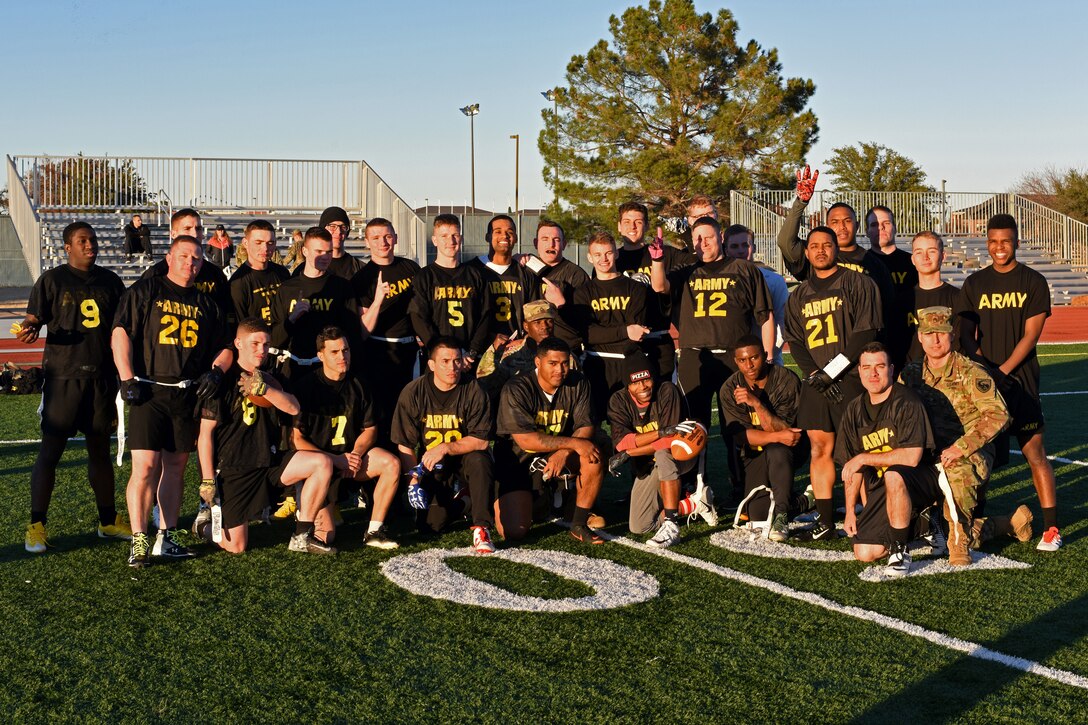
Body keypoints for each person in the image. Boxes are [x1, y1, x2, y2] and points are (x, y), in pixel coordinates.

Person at [113, 235, 232, 567]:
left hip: (185, 393)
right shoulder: (146, 290)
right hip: (149, 391)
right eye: (183, 256)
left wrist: (217, 372)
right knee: (146, 467)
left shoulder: (207, 304)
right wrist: (126, 375)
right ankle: (139, 539)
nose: (189, 264)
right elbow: (121, 332)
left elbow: (225, 346)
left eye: (195, 259)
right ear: (169, 257)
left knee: (176, 467)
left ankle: (166, 536)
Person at [18, 222, 129, 553]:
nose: (90, 245)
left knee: (100, 452)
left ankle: (108, 521)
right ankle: (36, 525)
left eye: (93, 239)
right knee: (50, 452)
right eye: (82, 241)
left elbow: (122, 328)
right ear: (68, 247)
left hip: (101, 379)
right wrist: (29, 329)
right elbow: (33, 320)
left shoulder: (111, 281)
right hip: (63, 377)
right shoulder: (52, 280)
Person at [652, 216, 773, 507]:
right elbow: (659, 287)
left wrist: (767, 356)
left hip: (736, 357)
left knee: (738, 424)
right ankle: (695, 488)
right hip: (697, 356)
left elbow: (764, 316)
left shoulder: (744, 269)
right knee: (693, 424)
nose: (702, 244)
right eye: (697, 239)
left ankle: (743, 486)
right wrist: (657, 259)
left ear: (720, 237)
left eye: (707, 237)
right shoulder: (686, 269)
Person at [900, 307, 1033, 565]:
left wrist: (961, 447)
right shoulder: (911, 374)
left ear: (952, 335)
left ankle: (959, 541)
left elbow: (998, 415)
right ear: (919, 336)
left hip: (970, 452)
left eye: (942, 332)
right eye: (929, 333)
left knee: (955, 471)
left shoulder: (971, 372)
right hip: (928, 450)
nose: (935, 339)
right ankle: (1008, 523)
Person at [960, 213, 1060, 551]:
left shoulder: (1033, 281)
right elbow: (966, 336)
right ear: (986, 242)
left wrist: (1000, 372)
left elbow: (1031, 336)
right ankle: (974, 527)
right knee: (983, 458)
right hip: (987, 387)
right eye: (993, 241)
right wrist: (985, 373)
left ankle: (1051, 529)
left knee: (1035, 453)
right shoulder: (974, 284)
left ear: (1016, 241)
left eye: (1005, 241)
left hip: (1021, 384)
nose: (999, 247)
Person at [194, 318, 335, 555]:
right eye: (255, 343)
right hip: (235, 468)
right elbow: (205, 435)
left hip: (268, 461)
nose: (262, 350)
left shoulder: (269, 377)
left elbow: (293, 408)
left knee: (322, 463)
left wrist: (265, 389)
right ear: (238, 343)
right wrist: (207, 479)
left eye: (266, 344)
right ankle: (203, 527)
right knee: (236, 546)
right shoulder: (222, 381)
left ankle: (301, 535)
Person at [784, 226, 882, 541]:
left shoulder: (858, 283)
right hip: (817, 384)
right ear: (807, 252)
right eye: (814, 245)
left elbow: (865, 333)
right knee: (819, 448)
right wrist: (815, 374)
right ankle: (826, 521)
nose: (821, 250)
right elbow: (796, 341)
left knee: (860, 449)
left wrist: (833, 372)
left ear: (836, 248)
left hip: (852, 379)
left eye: (827, 244)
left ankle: (871, 518)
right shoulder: (798, 295)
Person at [292, 326, 402, 548]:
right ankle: (304, 503)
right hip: (320, 466)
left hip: (350, 461)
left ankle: (374, 530)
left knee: (390, 463)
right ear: (320, 355)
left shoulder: (360, 384)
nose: (342, 356)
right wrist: (334, 459)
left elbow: (370, 429)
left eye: (345, 350)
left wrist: (355, 455)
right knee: (326, 537)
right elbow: (297, 440)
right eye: (334, 352)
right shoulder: (305, 387)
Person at [838, 343, 939, 577]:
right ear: (859, 371)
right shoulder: (854, 410)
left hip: (921, 481)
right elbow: (853, 467)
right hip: (884, 489)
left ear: (891, 370)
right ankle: (923, 523)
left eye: (880, 366)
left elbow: (912, 457)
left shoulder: (907, 402)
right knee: (864, 552)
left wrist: (864, 457)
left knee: (894, 473)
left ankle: (899, 550)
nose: (873, 374)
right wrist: (851, 511)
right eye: (867, 367)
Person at [391, 337, 497, 554]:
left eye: (457, 360)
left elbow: (481, 440)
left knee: (480, 459)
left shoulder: (474, 389)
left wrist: (445, 447)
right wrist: (413, 480)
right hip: (433, 465)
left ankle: (482, 528)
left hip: (465, 458)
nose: (452, 367)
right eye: (445, 361)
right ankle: (465, 502)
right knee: (429, 525)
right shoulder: (414, 392)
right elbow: (405, 444)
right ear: (431, 365)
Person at [495, 337, 604, 544]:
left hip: (557, 453)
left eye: (564, 363)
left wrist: (564, 453)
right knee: (514, 530)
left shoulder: (578, 382)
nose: (560, 370)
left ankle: (579, 522)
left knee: (593, 454)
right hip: (519, 459)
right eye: (552, 364)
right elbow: (526, 440)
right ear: (538, 362)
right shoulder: (517, 387)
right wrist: (572, 444)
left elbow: (586, 425)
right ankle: (548, 497)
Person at [606, 349, 708, 548]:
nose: (643, 387)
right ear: (627, 385)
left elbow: (671, 443)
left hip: (682, 455)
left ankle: (671, 523)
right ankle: (694, 503)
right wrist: (659, 432)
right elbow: (622, 442)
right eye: (635, 382)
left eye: (646, 379)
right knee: (640, 526)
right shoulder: (618, 401)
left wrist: (630, 453)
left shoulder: (666, 390)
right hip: (649, 465)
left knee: (663, 454)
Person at [720, 335, 811, 542]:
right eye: (742, 360)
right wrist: (778, 435)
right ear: (736, 361)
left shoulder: (785, 379)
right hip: (755, 451)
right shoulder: (729, 387)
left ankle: (781, 515)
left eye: (754, 358)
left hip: (790, 451)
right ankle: (803, 500)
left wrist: (757, 404)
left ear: (765, 355)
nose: (749, 365)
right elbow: (743, 437)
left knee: (777, 449)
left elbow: (791, 434)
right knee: (758, 514)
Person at [776, 167, 893, 306]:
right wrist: (800, 203)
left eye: (847, 221)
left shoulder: (874, 263)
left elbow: (888, 306)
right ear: (827, 225)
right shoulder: (818, 256)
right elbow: (785, 243)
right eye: (835, 222)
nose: (842, 227)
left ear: (857, 225)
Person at [352, 217, 420, 440]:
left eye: (388, 236)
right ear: (367, 242)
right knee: (383, 418)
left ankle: (413, 469)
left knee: (411, 415)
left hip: (411, 351)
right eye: (376, 238)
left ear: (396, 238)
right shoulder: (363, 278)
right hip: (380, 354)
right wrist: (378, 299)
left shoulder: (410, 267)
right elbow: (364, 329)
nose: (383, 242)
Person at [614, 201, 693, 382]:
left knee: (665, 399)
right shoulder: (611, 259)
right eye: (626, 221)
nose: (632, 226)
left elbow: (697, 259)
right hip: (626, 343)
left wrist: (686, 232)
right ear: (619, 226)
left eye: (638, 222)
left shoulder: (663, 252)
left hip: (659, 340)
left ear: (647, 225)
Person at [269, 226, 361, 379]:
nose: (325, 257)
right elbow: (275, 340)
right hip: (293, 371)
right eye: (319, 251)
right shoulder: (287, 288)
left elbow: (352, 335)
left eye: (329, 252)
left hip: (329, 372)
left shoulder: (342, 287)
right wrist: (293, 318)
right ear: (304, 251)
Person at [575, 231, 649, 418]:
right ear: (589, 257)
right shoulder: (583, 293)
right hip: (597, 364)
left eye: (608, 253)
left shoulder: (635, 288)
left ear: (616, 253)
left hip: (630, 362)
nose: (604, 259)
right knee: (595, 424)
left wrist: (608, 332)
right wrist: (625, 330)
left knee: (634, 423)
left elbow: (637, 330)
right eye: (598, 254)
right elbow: (588, 334)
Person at [409, 214, 492, 373]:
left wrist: (472, 352)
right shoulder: (424, 277)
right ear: (434, 240)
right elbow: (419, 318)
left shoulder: (476, 275)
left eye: (455, 235)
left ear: (461, 238)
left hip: (468, 360)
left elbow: (485, 316)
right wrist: (440, 352)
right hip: (438, 360)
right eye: (444, 236)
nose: (451, 241)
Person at [477, 300, 576, 404]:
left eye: (549, 321)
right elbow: (484, 387)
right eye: (537, 322)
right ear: (526, 326)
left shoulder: (566, 357)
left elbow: (577, 391)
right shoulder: (510, 354)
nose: (545, 326)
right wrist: (493, 351)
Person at [469, 214, 546, 342]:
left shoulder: (526, 273)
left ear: (515, 238)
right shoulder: (472, 270)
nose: (504, 236)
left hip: (517, 349)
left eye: (509, 232)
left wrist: (524, 341)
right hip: (480, 350)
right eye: (497, 231)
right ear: (487, 237)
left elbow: (534, 316)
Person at [141, 208, 232, 315]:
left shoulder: (216, 275)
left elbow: (225, 314)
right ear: (173, 234)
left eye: (198, 228)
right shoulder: (155, 274)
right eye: (187, 228)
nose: (194, 234)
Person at [723, 224, 788, 365]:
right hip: (730, 359)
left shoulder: (775, 281)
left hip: (767, 357)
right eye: (734, 246)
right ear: (726, 250)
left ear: (754, 247)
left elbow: (781, 324)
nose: (741, 251)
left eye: (745, 245)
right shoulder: (719, 281)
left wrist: (764, 356)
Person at [865, 205, 918, 372]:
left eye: (886, 223)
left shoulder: (912, 263)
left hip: (909, 340)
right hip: (875, 342)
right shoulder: (862, 264)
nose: (880, 228)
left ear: (894, 227)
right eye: (874, 225)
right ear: (866, 231)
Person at [528, 219, 589, 350]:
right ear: (535, 243)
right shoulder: (526, 270)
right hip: (531, 351)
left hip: (565, 350)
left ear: (564, 244)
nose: (551, 244)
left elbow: (586, 322)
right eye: (545, 239)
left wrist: (562, 305)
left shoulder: (576, 275)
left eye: (556, 239)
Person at [906, 231, 964, 363]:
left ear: (943, 256)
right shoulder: (903, 300)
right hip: (910, 378)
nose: (925, 257)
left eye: (931, 251)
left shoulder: (958, 298)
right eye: (919, 252)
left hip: (949, 377)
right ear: (913, 259)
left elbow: (963, 343)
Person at [229, 219, 290, 323]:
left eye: (270, 243)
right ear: (245, 243)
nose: (265, 248)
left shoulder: (282, 273)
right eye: (258, 243)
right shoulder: (238, 283)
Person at [319, 206, 362, 280]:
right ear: (323, 229)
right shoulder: (309, 267)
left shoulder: (359, 268)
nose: (338, 232)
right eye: (332, 226)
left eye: (343, 227)